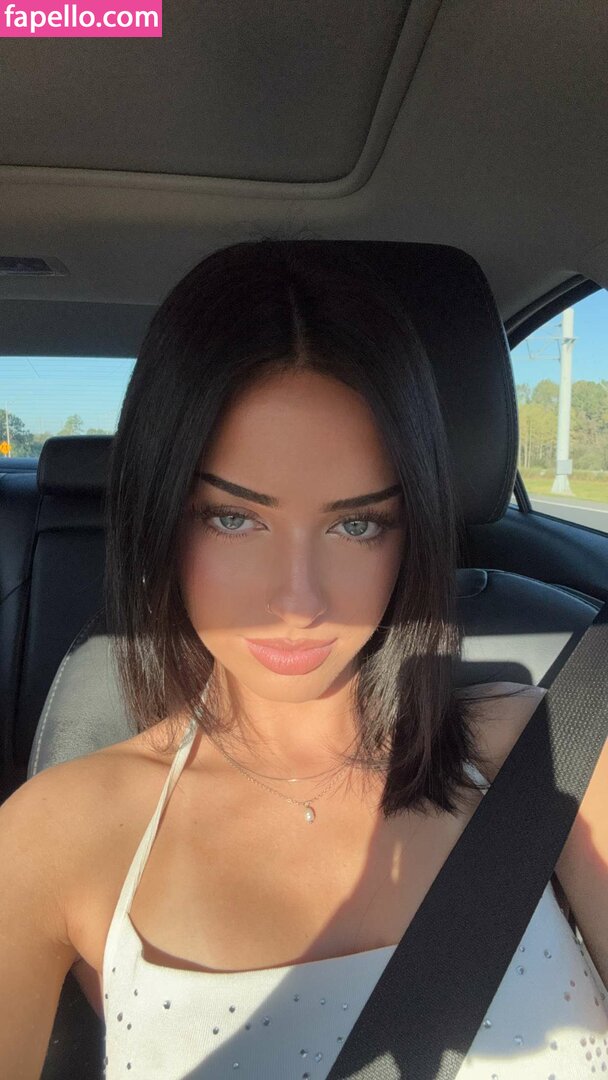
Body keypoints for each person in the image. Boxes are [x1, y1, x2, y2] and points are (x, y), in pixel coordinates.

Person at [1, 240, 606, 1079]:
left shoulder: (559, 751)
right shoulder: (52, 835)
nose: (298, 601)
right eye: (234, 519)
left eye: (357, 524)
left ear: (413, 529)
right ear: (161, 516)